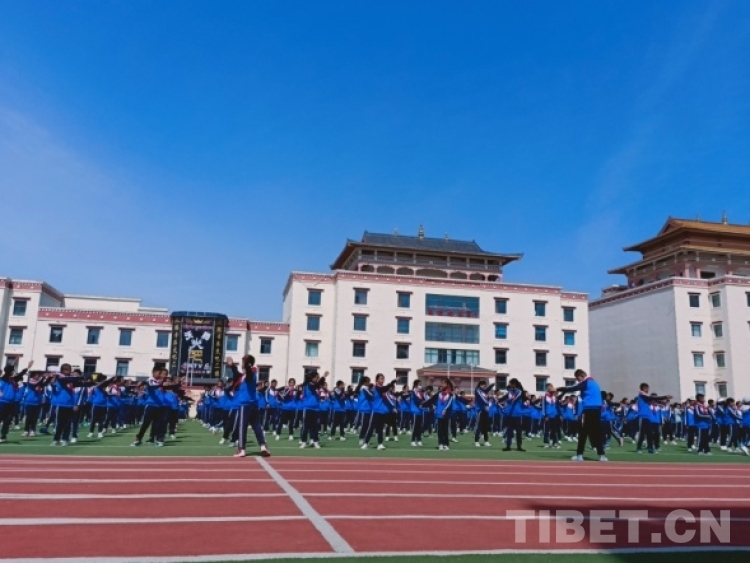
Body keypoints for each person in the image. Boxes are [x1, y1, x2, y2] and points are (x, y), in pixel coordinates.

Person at [556, 369, 607, 462]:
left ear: (582, 375)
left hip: (589, 409)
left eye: (578, 378)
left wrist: (559, 389)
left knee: (583, 432)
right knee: (596, 432)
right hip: (597, 410)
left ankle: (579, 455)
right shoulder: (594, 383)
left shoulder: (587, 382)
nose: (578, 381)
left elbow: (573, 388)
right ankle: (602, 455)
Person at [226, 355, 271, 458]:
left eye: (243, 362)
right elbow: (237, 374)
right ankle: (263, 446)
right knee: (256, 426)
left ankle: (242, 449)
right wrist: (232, 365)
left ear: (247, 363)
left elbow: (248, 372)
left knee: (242, 427)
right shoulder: (244, 375)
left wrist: (247, 363)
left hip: (245, 404)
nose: (242, 364)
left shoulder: (251, 373)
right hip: (253, 404)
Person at [635, 383, 671, 454]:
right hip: (642, 416)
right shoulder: (641, 394)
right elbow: (651, 398)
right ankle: (639, 448)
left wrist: (664, 400)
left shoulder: (646, 396)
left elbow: (654, 400)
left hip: (648, 417)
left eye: (648, 388)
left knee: (649, 433)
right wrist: (664, 397)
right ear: (643, 388)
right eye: (646, 388)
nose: (648, 390)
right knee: (642, 433)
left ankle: (650, 448)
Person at [499, 378, 526, 452]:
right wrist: (498, 400)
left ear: (514, 384)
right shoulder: (509, 392)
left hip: (517, 414)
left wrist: (509, 400)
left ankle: (519, 446)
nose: (509, 385)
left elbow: (515, 399)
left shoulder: (519, 391)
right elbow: (503, 398)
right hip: (510, 414)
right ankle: (508, 446)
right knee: (509, 430)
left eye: (510, 383)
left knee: (518, 431)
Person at [300, 369, 322, 449]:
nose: (317, 379)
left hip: (316, 408)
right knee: (306, 426)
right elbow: (315, 386)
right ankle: (303, 441)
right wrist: (323, 377)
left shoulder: (314, 385)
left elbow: (318, 385)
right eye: (316, 377)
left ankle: (315, 441)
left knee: (315, 426)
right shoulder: (308, 385)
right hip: (308, 408)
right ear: (312, 378)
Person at [473, 380, 493, 447]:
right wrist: (487, 403)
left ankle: (486, 441)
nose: (485, 387)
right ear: (480, 385)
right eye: (484, 385)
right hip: (480, 410)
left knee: (485, 427)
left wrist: (492, 385)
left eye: (485, 385)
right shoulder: (478, 390)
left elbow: (486, 391)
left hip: (485, 411)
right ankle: (476, 441)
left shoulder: (484, 392)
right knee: (479, 426)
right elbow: (482, 399)